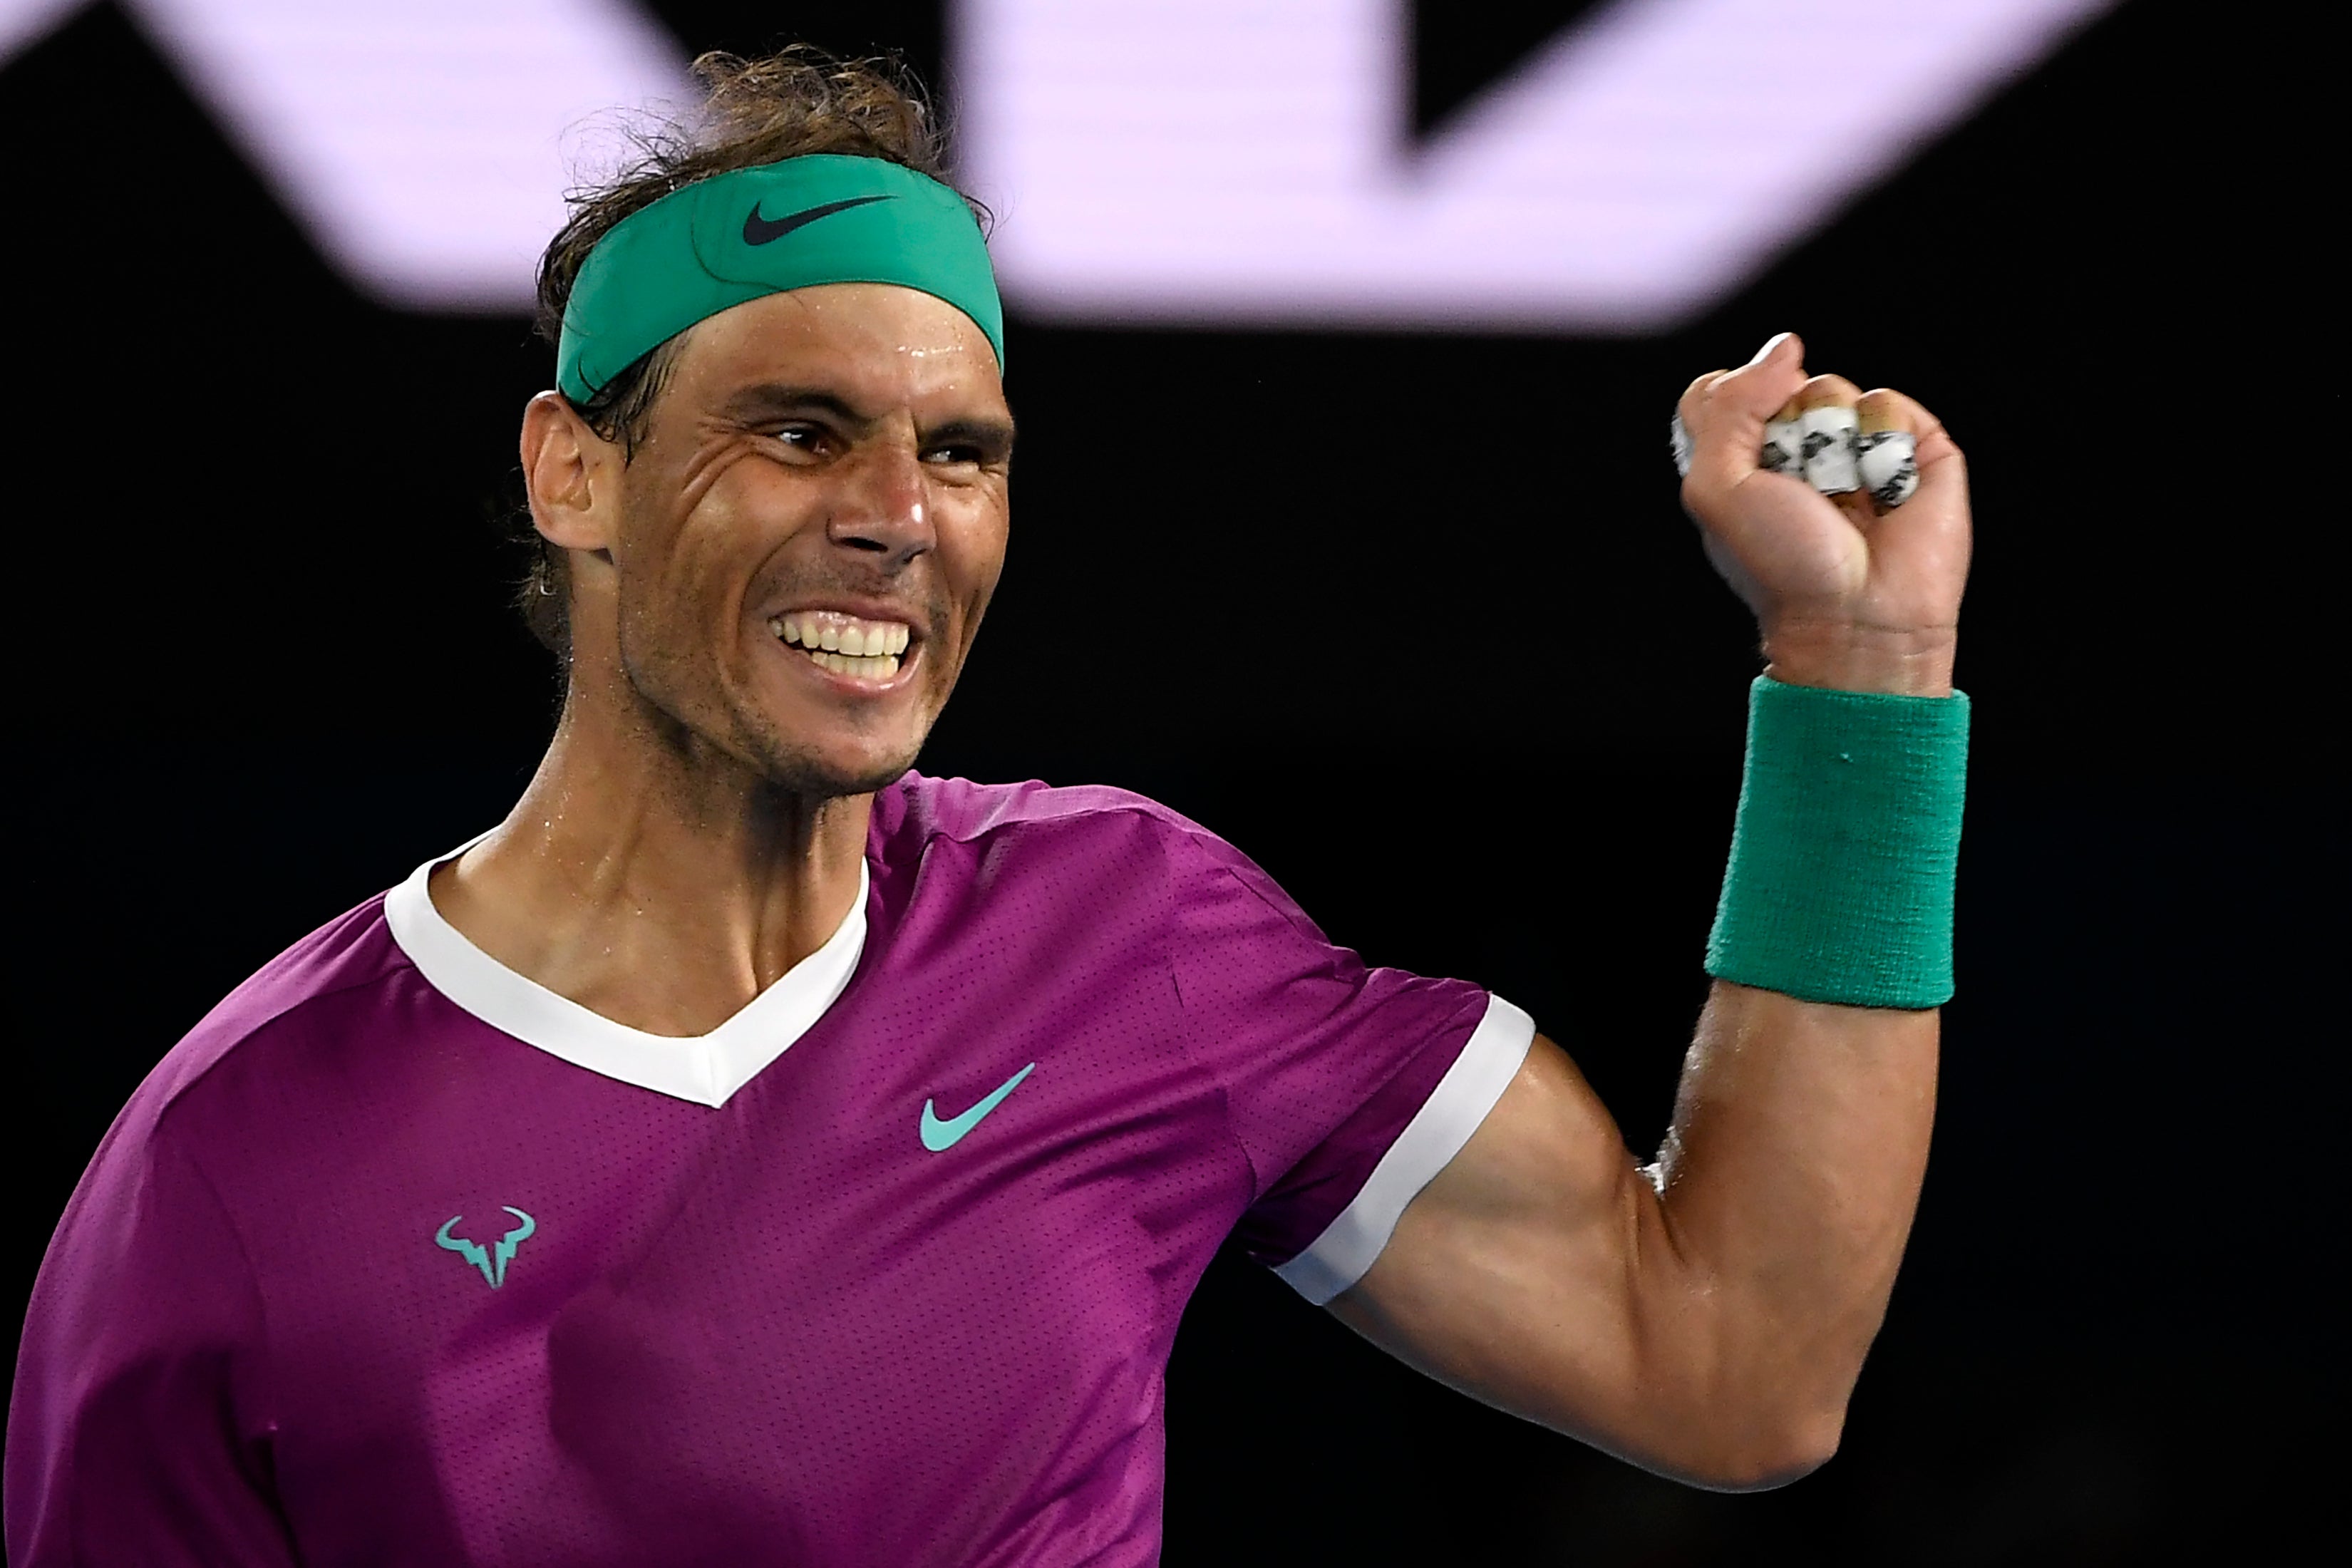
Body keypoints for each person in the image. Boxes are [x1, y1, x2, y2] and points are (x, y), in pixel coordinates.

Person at [5, 47, 1971, 1567]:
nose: (897, 518)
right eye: (796, 433)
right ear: (573, 473)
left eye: (961, 451)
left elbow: (1734, 1366)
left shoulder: (1130, 941)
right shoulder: (232, 1171)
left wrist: (1861, 671)